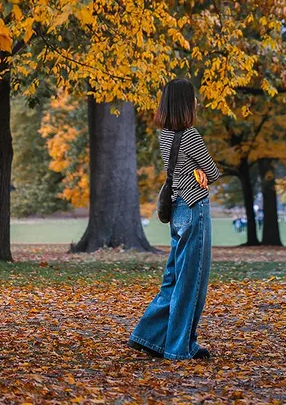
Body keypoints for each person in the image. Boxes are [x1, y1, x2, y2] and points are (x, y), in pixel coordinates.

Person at [128, 77, 220, 361]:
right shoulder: (191, 136)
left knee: (173, 277)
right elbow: (213, 172)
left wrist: (197, 171)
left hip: (176, 207)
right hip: (194, 207)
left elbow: (183, 169)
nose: (197, 102)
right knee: (191, 281)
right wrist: (201, 172)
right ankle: (180, 347)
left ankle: (148, 337)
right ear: (185, 103)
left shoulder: (165, 135)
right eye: (193, 97)